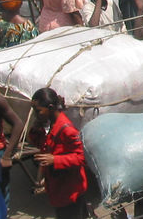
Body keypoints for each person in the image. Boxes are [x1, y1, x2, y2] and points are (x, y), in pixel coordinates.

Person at [30, 88, 88, 219]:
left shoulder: (67, 130)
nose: (36, 114)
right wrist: (36, 127)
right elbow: (43, 145)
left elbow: (82, 157)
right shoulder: (52, 125)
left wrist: (55, 160)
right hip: (58, 189)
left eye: (38, 111)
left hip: (70, 191)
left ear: (50, 108)